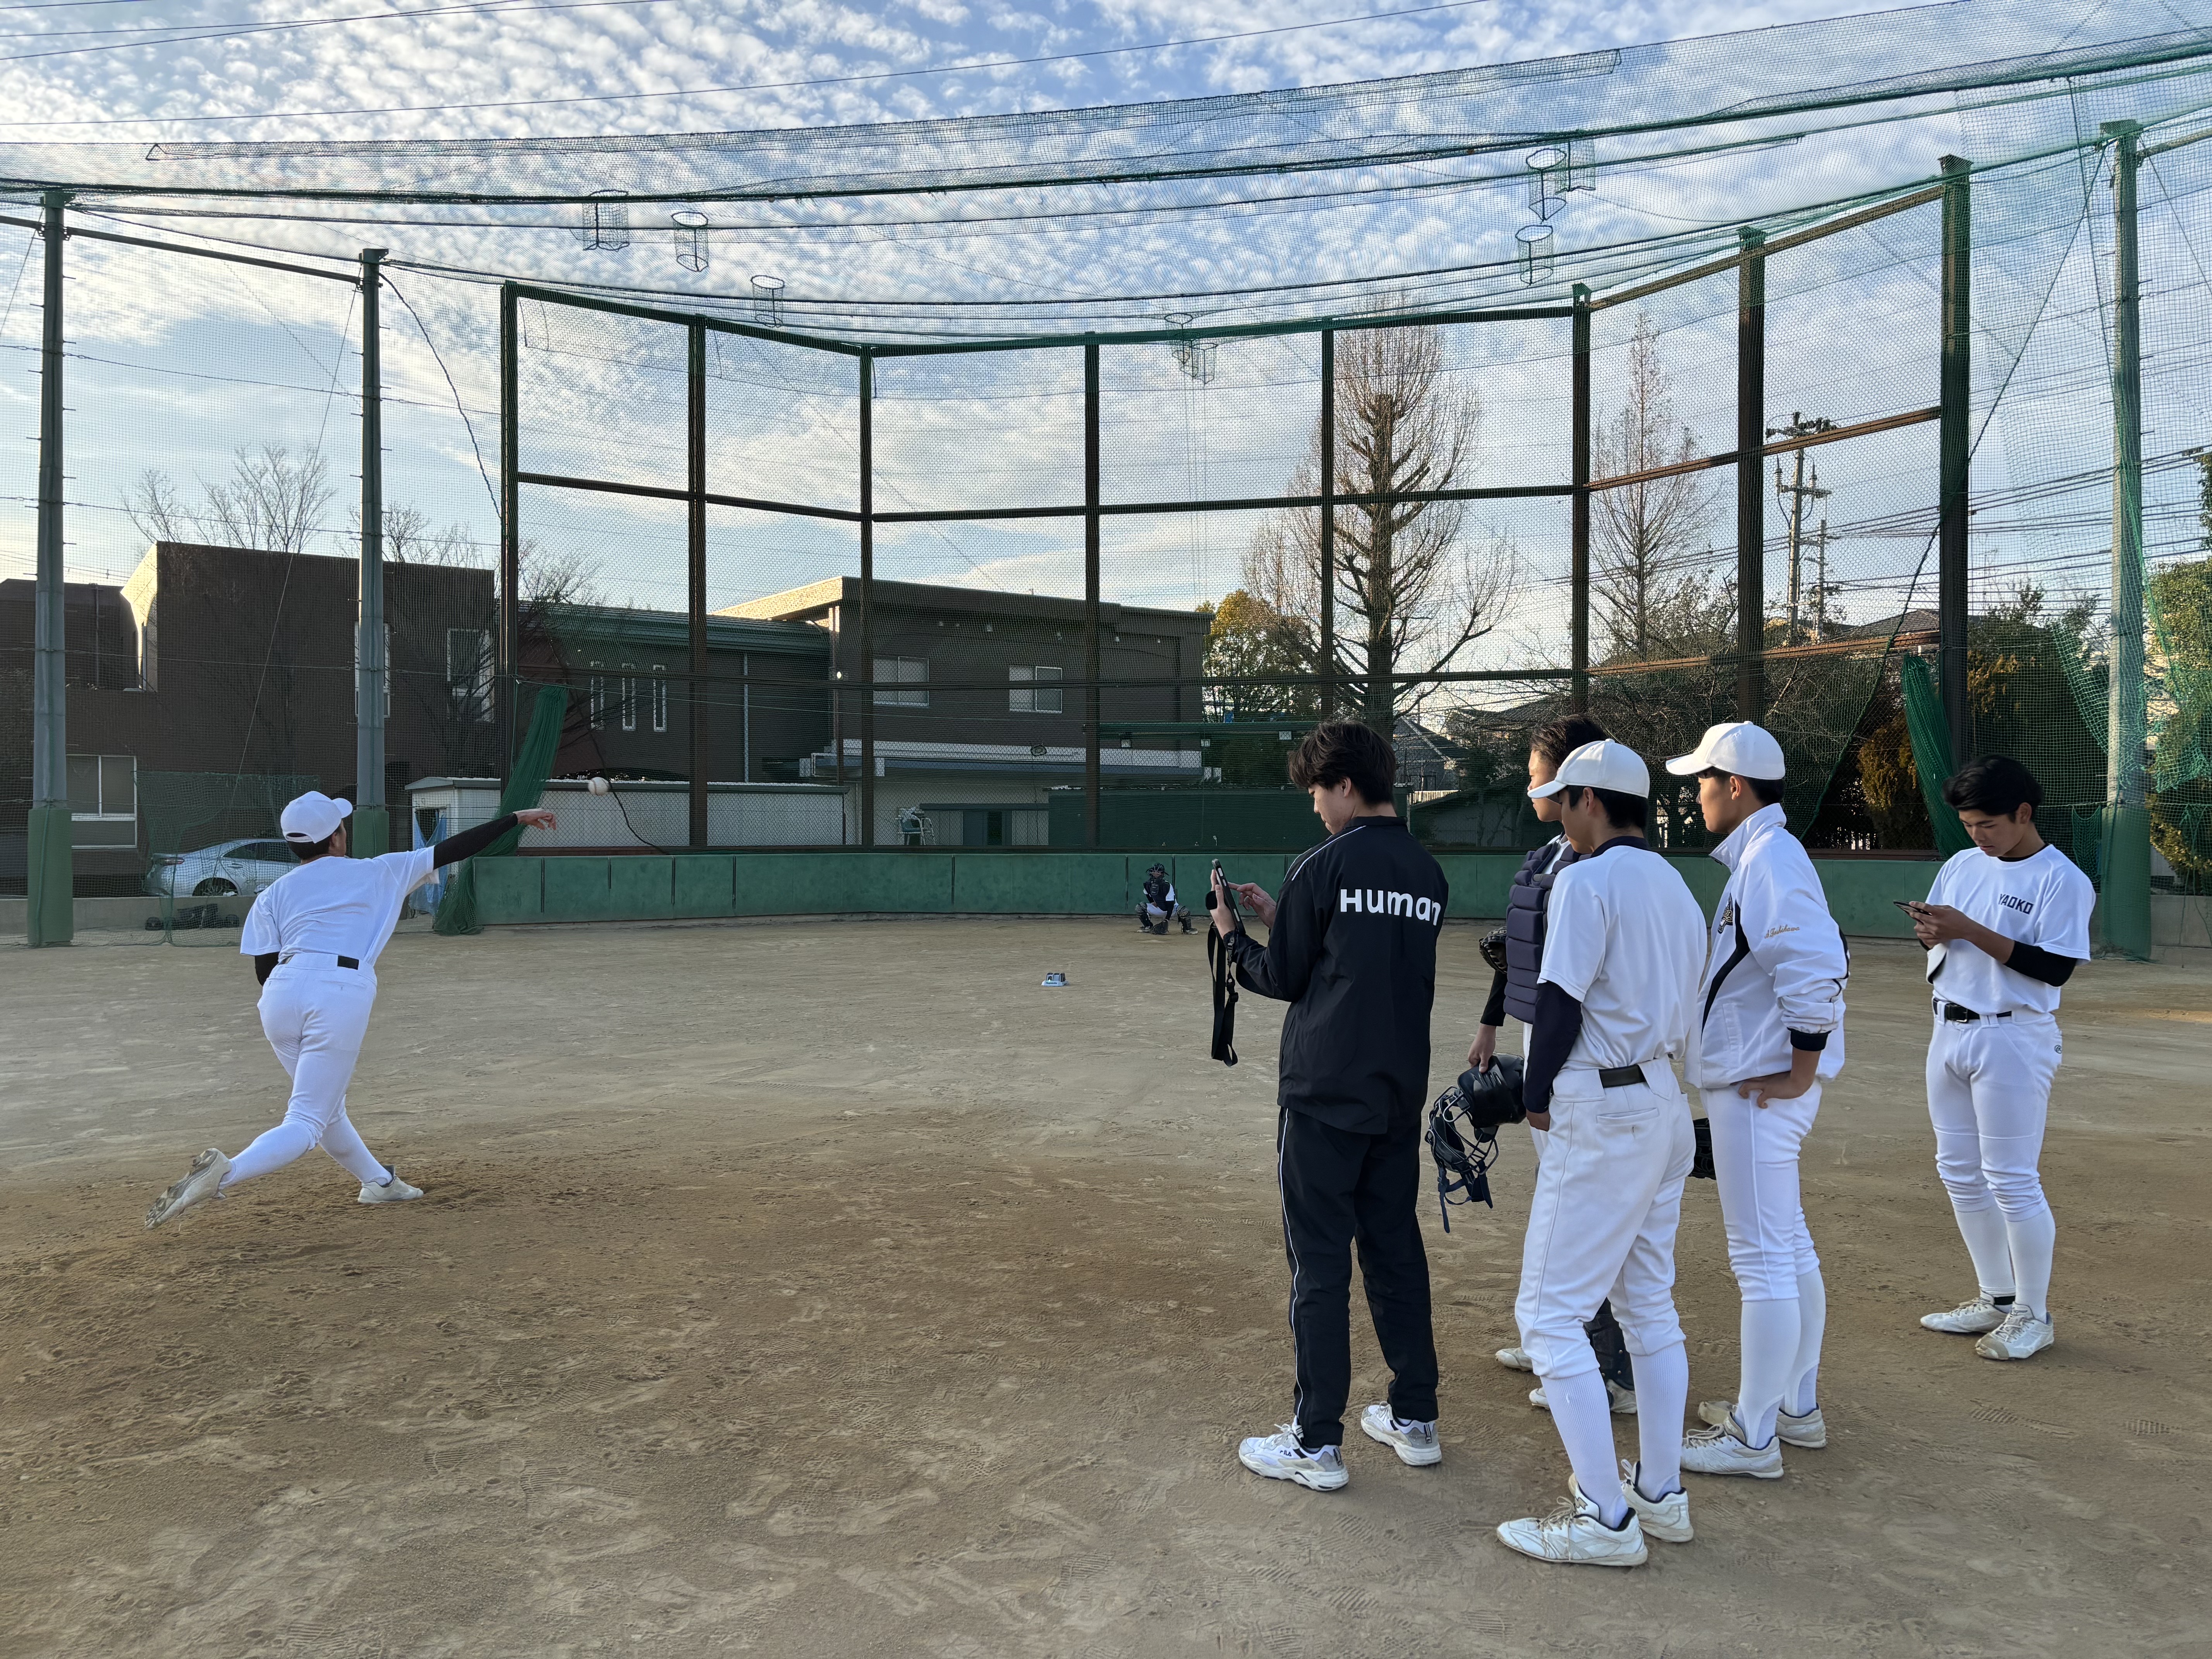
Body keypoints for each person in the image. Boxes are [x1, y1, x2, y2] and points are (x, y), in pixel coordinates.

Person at [1211, 720, 1448, 1492]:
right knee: (1392, 1249)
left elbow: (1281, 979)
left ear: (1344, 784)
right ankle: (1415, 1417)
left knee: (1317, 1262)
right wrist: (1286, 919)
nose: (1314, 806)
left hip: (1321, 1095)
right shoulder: (1425, 871)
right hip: (1393, 1093)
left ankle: (1317, 1442)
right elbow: (1359, 955)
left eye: (1317, 790)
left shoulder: (1321, 865)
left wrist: (1231, 934)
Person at [144, 792, 557, 1228]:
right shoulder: (380, 870)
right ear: (337, 839)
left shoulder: (274, 892)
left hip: (280, 994)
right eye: (342, 826)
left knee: (326, 1109)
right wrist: (515, 818)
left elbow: (265, 968)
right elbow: (454, 848)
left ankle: (379, 1183)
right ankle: (225, 1173)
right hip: (340, 990)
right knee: (305, 1121)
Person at [1496, 739, 1706, 1568]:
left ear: (1590, 801)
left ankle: (1605, 1521)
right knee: (1648, 1303)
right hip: (1661, 1100)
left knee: (1549, 1316)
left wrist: (1534, 1091)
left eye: (1565, 799)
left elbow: (1560, 1000)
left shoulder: (1583, 880)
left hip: (1603, 1103)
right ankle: (1660, 1494)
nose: (1560, 813)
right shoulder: (1679, 886)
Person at [1660, 723, 1848, 1480]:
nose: (1697, 793)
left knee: (1762, 1261)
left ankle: (1753, 1435)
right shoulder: (1764, 858)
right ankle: (1791, 1409)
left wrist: (1799, 1073)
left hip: (1760, 1090)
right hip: (1759, 1083)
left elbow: (1814, 966)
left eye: (1704, 780)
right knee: (1788, 1247)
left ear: (1734, 786)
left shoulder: (1774, 860)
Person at [1473, 714, 1640, 1419]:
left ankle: (1606, 1365)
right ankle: (1566, 1342)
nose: (1530, 780)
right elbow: (1522, 956)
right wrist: (1490, 1020)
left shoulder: (1591, 863)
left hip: (1582, 1061)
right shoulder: (1552, 853)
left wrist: (1541, 1083)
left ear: (1578, 783)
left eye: (1539, 770)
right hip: (1552, 1042)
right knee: (1563, 1207)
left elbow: (1569, 984)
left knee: (1583, 1218)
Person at [1904, 756, 2091, 1362]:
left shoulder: (2062, 879)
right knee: (1957, 1170)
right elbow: (1941, 933)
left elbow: (2054, 966)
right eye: (1968, 825)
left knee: (2012, 1178)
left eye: (1988, 825)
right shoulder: (1962, 865)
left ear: (2023, 814)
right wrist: (1934, 931)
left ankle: (2035, 1316)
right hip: (1949, 1027)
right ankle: (1997, 1297)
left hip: (2013, 1037)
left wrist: (1968, 930)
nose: (1977, 837)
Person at [1136, 862, 1193, 934]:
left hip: (1171, 910)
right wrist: (1152, 902)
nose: (1156, 874)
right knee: (1140, 907)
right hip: (1158, 909)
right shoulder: (1147, 884)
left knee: (1184, 911)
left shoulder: (1167, 886)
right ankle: (1148, 927)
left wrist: (1167, 920)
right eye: (1154, 872)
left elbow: (1170, 905)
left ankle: (1187, 929)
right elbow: (1147, 893)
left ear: (1162, 874)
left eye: (1158, 872)